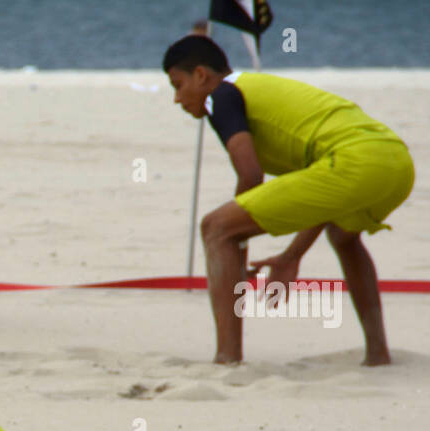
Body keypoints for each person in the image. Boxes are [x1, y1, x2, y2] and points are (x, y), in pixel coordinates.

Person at [163, 34, 414, 365]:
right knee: (343, 237)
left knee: (216, 227)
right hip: (394, 162)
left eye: (177, 85)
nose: (177, 99)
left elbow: (251, 175)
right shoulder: (253, 88)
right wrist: (291, 255)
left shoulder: (221, 96)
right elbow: (323, 194)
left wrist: (238, 235)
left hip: (354, 160)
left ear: (200, 75)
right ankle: (378, 354)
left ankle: (227, 359)